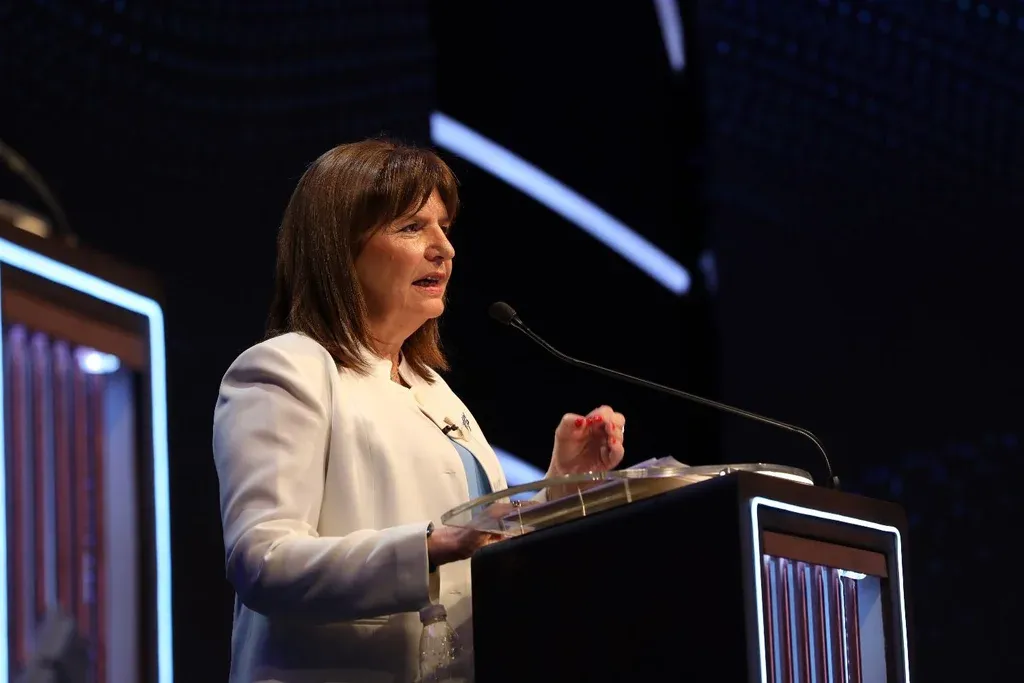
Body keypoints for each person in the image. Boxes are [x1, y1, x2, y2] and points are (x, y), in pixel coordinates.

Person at [212, 138, 626, 683]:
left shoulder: (432, 389)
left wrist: (560, 486)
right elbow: (263, 561)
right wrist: (428, 547)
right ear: (339, 247)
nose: (443, 249)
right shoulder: (286, 369)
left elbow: (485, 545)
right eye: (412, 227)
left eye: (444, 228)